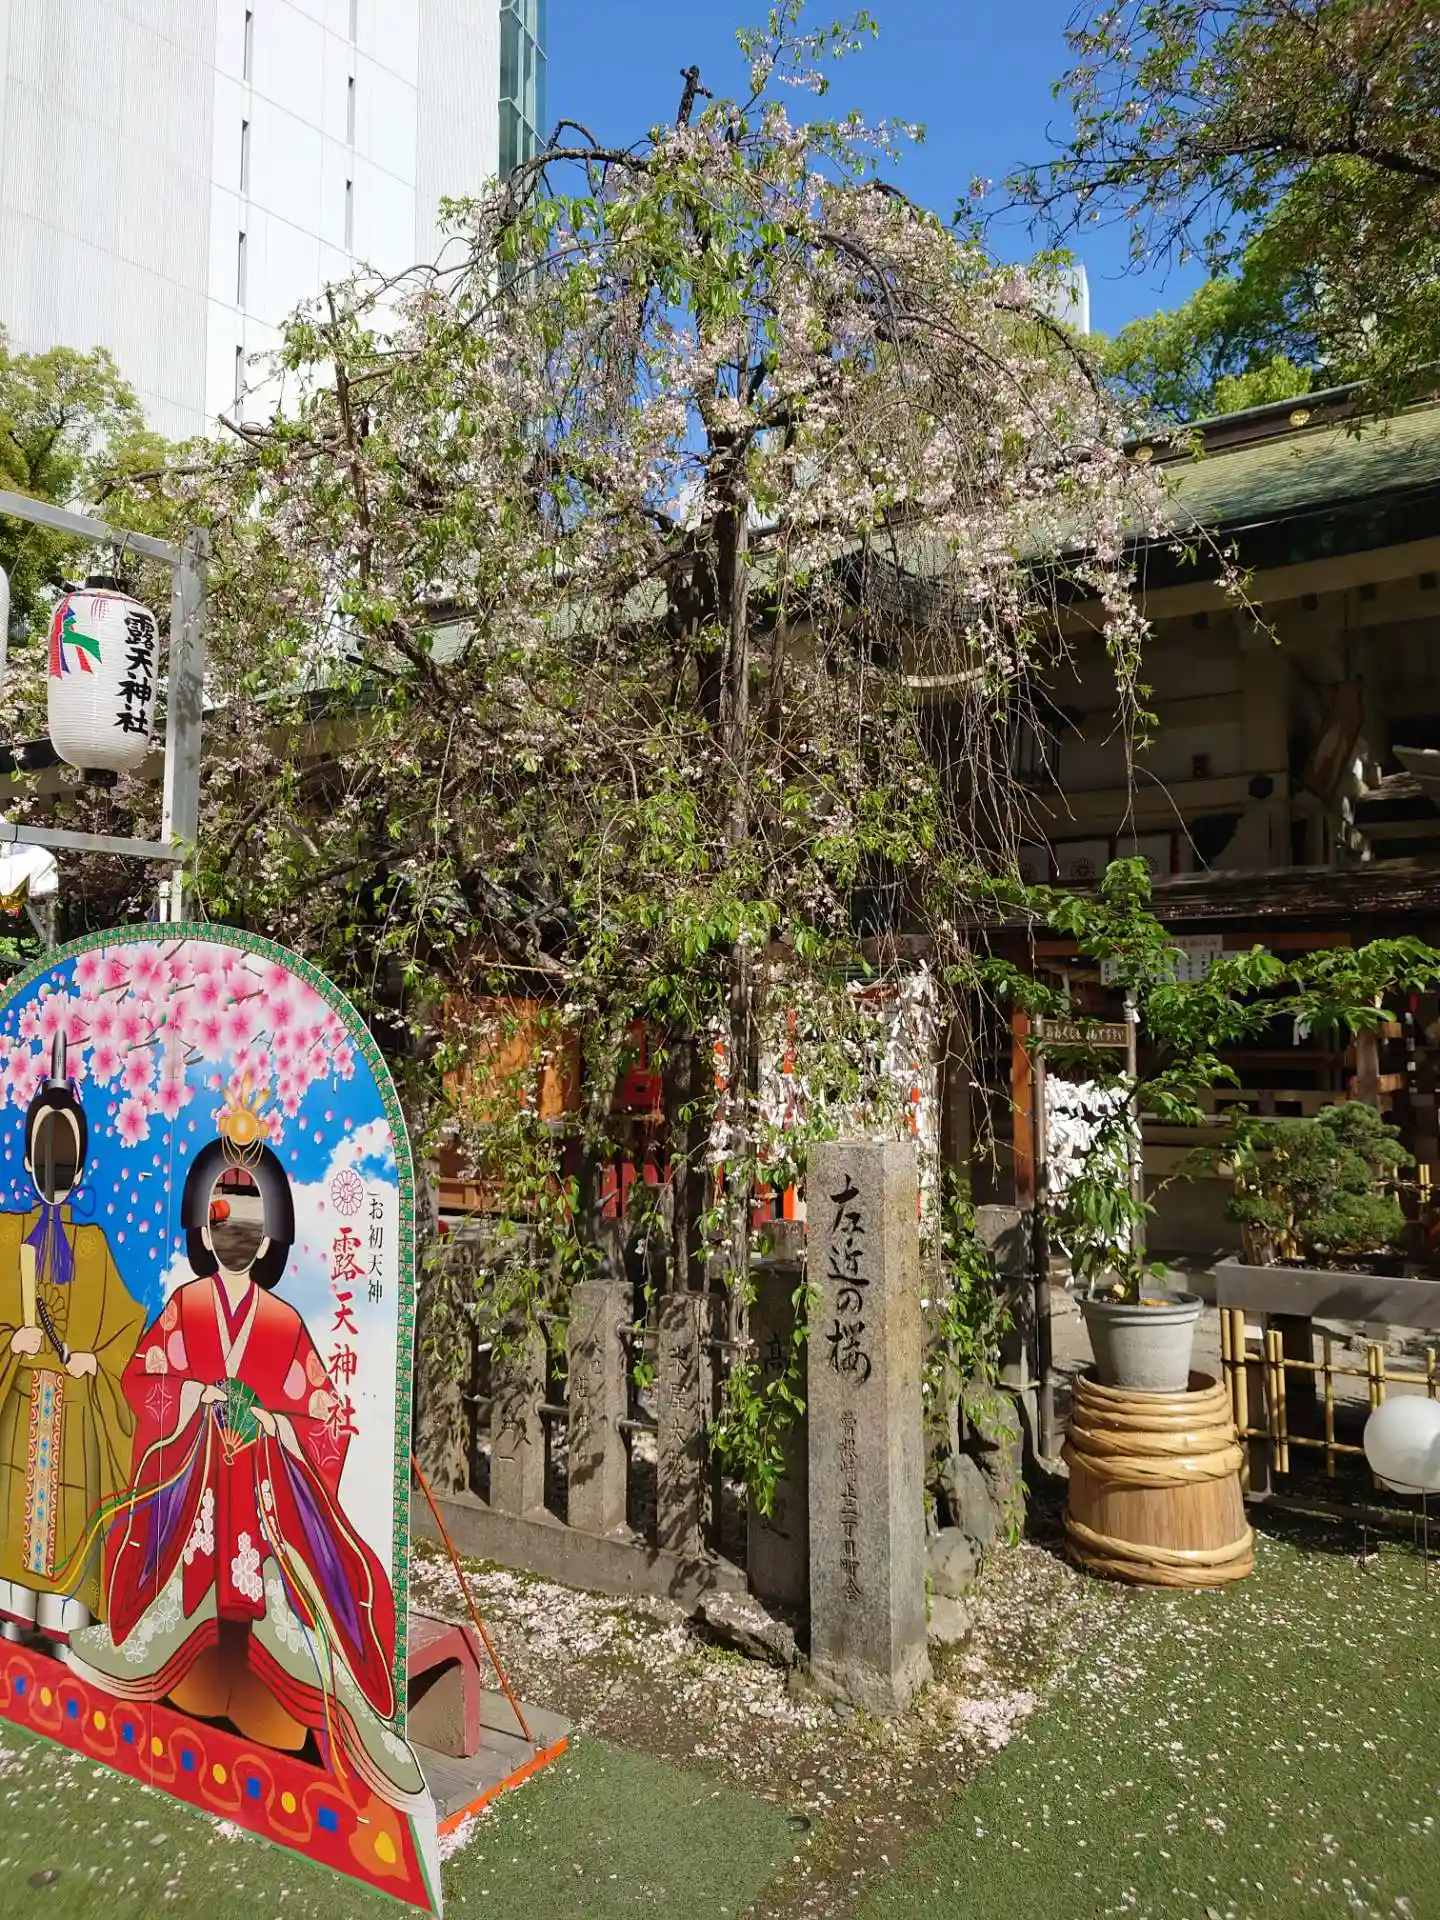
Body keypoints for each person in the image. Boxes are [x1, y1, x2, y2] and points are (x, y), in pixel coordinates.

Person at [69, 1096, 427, 1814]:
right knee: (181, 1569)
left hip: (265, 1506)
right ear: (206, 1232)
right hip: (195, 1496)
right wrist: (194, 1394)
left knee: (294, 1600)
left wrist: (275, 1423)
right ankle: (162, 1638)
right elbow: (143, 1381)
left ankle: (334, 1699)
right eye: (223, 1221)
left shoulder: (284, 1323)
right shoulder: (186, 1306)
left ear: (267, 1242)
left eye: (249, 1225)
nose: (235, 1237)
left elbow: (324, 1417)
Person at [0, 1033, 142, 1639]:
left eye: (65, 1152)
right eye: (45, 1149)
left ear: (79, 1166)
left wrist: (96, 1360)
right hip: (17, 1412)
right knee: (9, 1536)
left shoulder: (92, 1246)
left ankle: (63, 1641)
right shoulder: (6, 1235)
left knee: (72, 1542)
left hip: (77, 1419)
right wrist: (11, 1342)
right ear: (28, 1158)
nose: (54, 1164)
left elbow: (128, 1327)